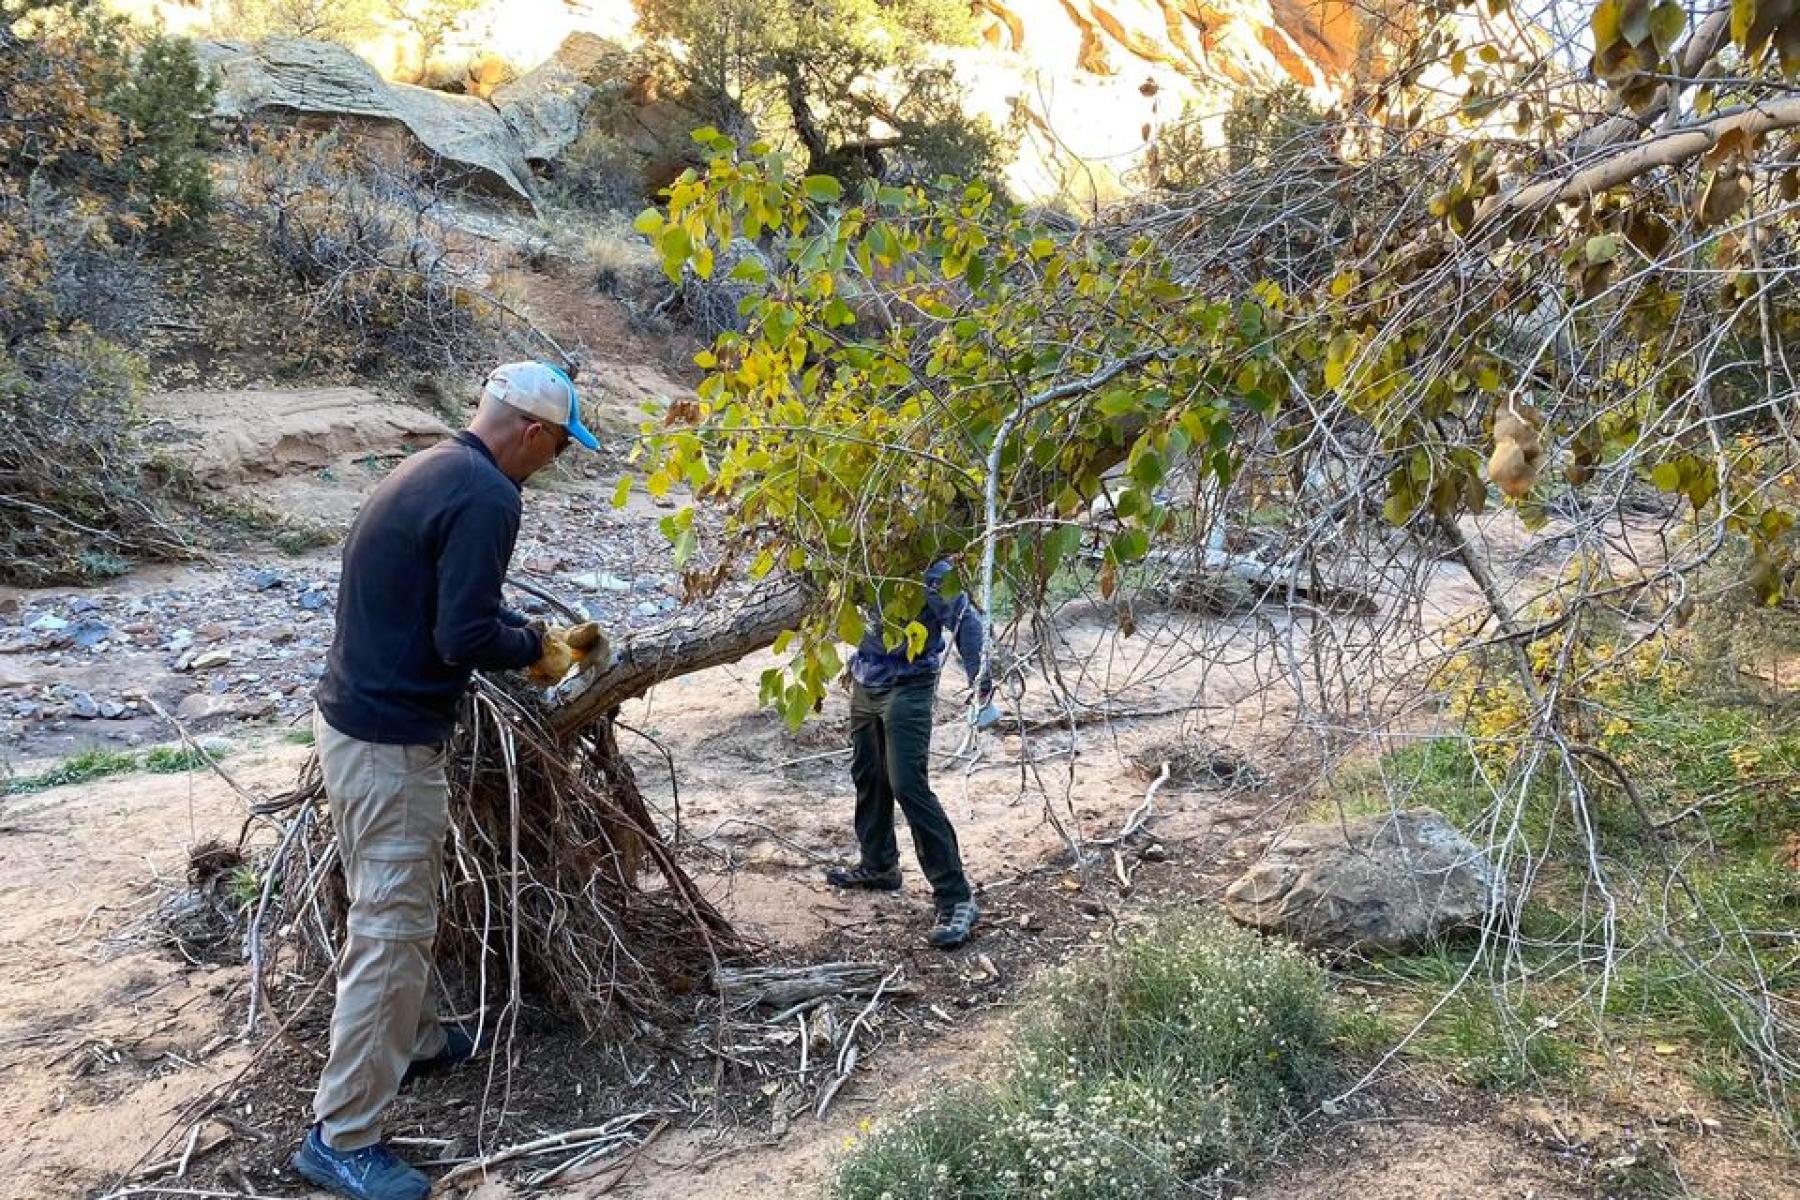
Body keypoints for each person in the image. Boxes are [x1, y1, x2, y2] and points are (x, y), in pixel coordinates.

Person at [293, 362, 601, 1200]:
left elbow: (450, 609)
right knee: (391, 927)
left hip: (354, 721)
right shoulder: (490, 495)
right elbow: (463, 632)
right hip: (388, 742)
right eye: (562, 448)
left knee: (389, 904)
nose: (557, 462)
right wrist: (532, 650)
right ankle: (342, 1136)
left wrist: (532, 634)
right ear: (533, 433)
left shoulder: (435, 466)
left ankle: (418, 1039)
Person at [826, 558, 999, 949]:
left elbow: (966, 621)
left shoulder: (927, 567)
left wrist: (981, 683)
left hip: (909, 684)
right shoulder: (856, 553)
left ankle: (957, 897)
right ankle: (879, 865)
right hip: (866, 678)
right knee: (868, 775)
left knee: (908, 784)